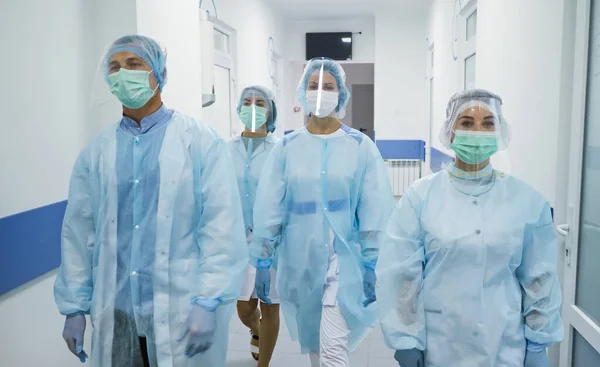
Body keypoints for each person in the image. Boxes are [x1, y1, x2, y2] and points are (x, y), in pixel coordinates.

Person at [54, 34, 247, 367]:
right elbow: (79, 234)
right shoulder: (97, 152)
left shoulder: (200, 144)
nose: (122, 74)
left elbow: (220, 229)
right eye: (114, 67)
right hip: (116, 312)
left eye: (133, 64)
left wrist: (209, 299)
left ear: (157, 73)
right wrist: (74, 306)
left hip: (181, 308)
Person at [376, 89, 563, 367]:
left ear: (500, 131)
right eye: (466, 123)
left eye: (488, 123)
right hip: (441, 345)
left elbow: (539, 279)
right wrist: (406, 339)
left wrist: (538, 342)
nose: (478, 131)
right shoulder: (421, 197)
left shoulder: (525, 201)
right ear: (450, 132)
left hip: (505, 345)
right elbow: (402, 276)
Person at [250, 57, 394, 366]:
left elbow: (374, 209)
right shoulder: (287, 148)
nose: (320, 93)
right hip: (300, 260)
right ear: (302, 92)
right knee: (316, 342)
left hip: (344, 262)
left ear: (341, 94)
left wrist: (372, 262)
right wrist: (262, 260)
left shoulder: (360, 146)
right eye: (313, 86)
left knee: (332, 350)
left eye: (328, 87)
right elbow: (269, 209)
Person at [228, 86, 281, 366]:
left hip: (273, 241)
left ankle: (264, 364)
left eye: (260, 102)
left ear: (270, 111)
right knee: (244, 307)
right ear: (238, 108)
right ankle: (256, 328)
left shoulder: (280, 150)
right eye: (247, 101)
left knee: (270, 304)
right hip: (237, 242)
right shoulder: (226, 150)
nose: (253, 107)